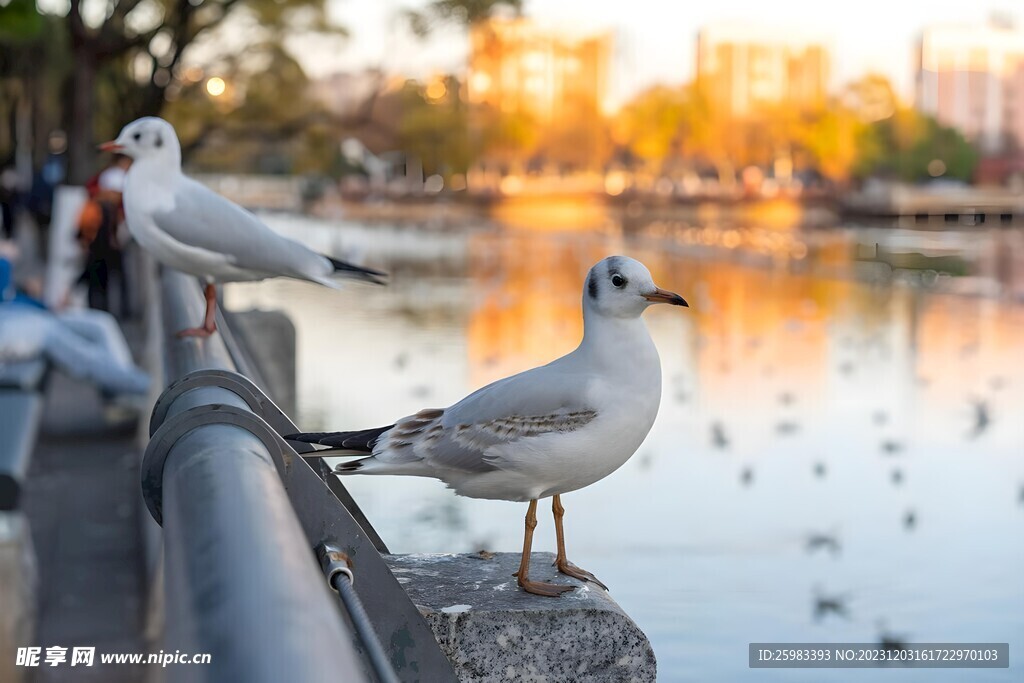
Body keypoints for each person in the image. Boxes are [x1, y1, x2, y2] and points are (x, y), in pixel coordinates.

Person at [0, 245, 149, 400]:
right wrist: (4, 258)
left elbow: (9, 298)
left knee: (101, 323)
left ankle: (119, 393)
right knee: (81, 353)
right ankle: (142, 386)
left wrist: (45, 306)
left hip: (24, 316)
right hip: (9, 329)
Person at [78, 154, 132, 317]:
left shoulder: (105, 209)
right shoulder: (98, 209)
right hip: (99, 252)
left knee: (102, 284)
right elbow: (87, 230)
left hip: (101, 251)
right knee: (99, 285)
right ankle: (102, 314)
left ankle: (107, 313)